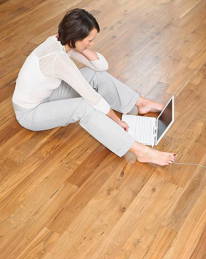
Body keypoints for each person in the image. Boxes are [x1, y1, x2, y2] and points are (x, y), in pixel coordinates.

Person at [12, 8, 176, 166]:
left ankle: (140, 103)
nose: (92, 43)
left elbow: (101, 67)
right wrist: (115, 120)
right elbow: (90, 96)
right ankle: (140, 151)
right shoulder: (56, 59)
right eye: (89, 40)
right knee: (84, 107)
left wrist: (84, 48)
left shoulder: (60, 40)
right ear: (75, 37)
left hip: (48, 95)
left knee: (95, 76)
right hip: (30, 113)